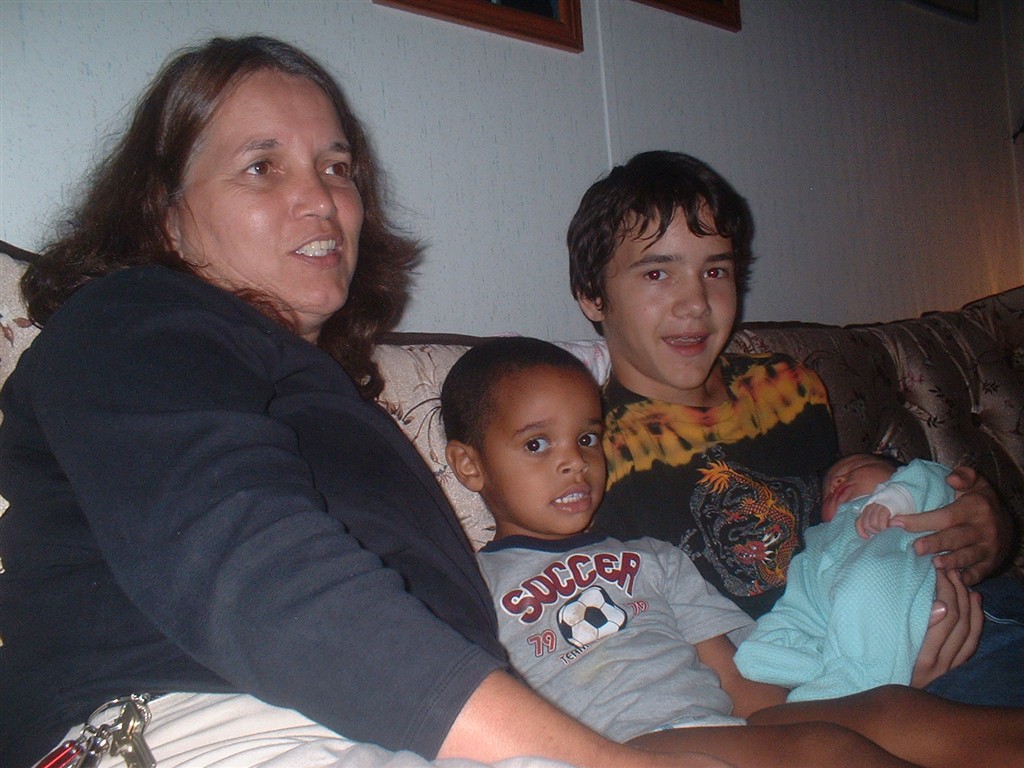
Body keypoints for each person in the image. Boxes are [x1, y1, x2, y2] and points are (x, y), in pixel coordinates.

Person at [0, 37, 740, 768]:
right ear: (164, 211)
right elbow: (260, 579)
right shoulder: (130, 317)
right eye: (262, 167)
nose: (322, 200)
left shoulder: (326, 399)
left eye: (336, 168)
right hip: (210, 727)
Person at [439, 336, 1024, 768]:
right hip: (624, 747)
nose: (574, 461)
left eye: (587, 438)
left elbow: (738, 683)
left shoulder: (654, 557)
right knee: (824, 748)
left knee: (888, 710)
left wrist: (854, 692)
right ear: (469, 464)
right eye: (537, 444)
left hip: (721, 725)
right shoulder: (469, 586)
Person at [565, 150, 1021, 703]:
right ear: (593, 295)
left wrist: (987, 527)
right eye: (657, 273)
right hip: (826, 696)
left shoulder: (786, 385)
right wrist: (878, 689)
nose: (696, 303)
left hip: (950, 615)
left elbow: (859, 510)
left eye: (715, 271)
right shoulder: (587, 454)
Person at [733, 454, 954, 700]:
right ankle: (826, 664)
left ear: (898, 473)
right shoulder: (820, 532)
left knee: (865, 582)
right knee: (762, 643)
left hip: (889, 584)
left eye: (857, 467)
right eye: (827, 492)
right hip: (824, 602)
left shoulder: (907, 499)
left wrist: (897, 497)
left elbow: (936, 476)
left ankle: (862, 681)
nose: (836, 482)